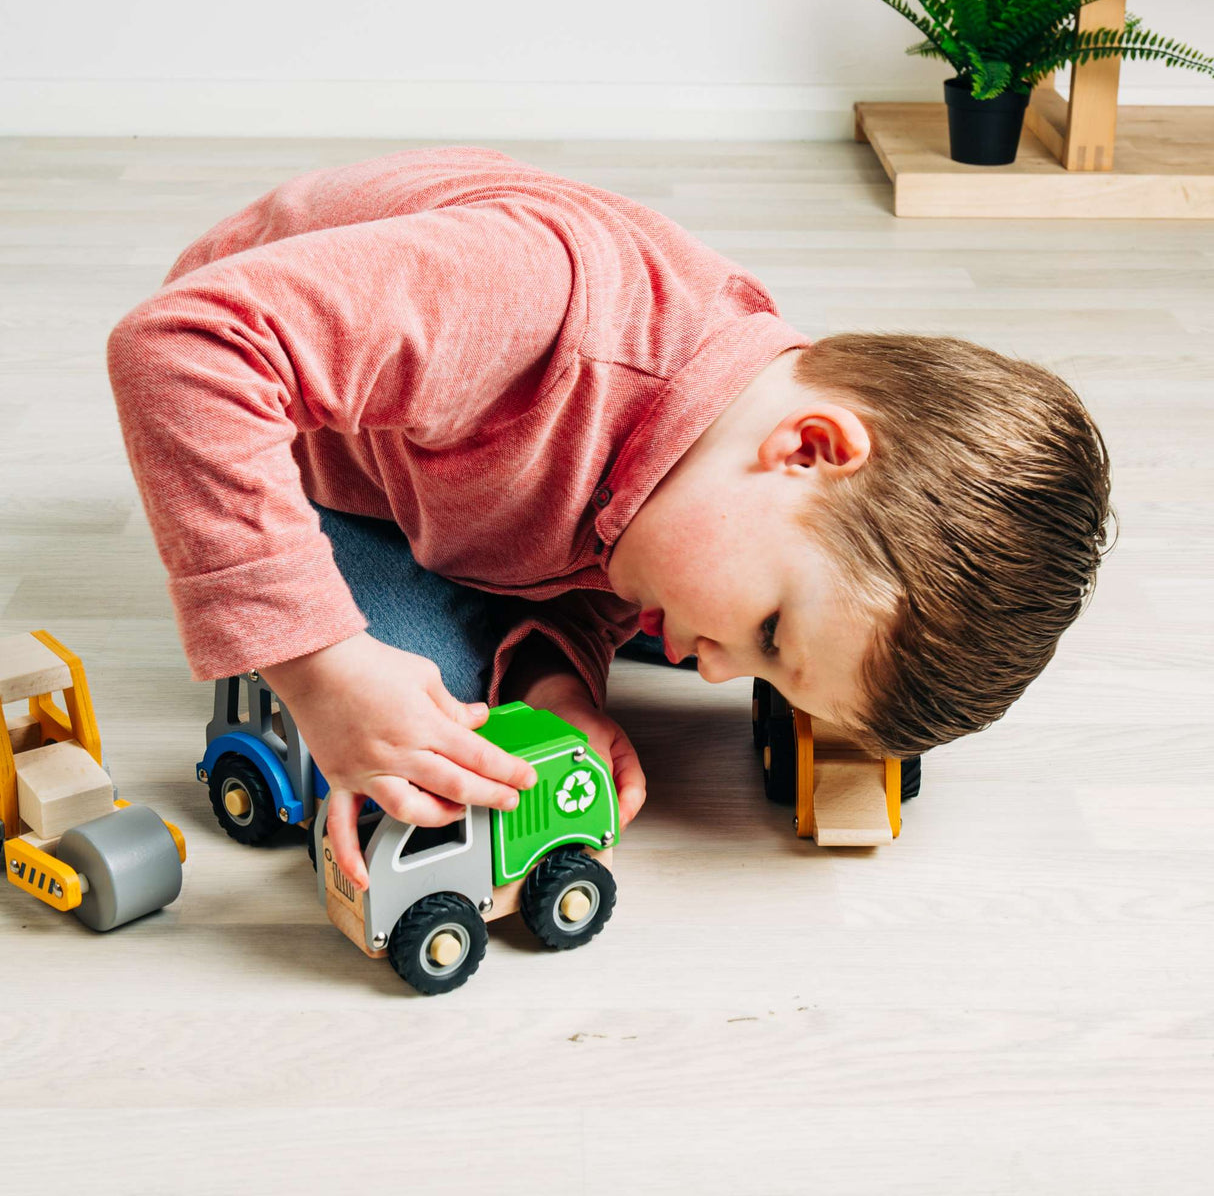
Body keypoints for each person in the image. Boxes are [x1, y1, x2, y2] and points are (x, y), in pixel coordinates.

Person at [105, 145, 1113, 891]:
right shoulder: (538, 300)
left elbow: (584, 559)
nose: (720, 674)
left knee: (571, 663)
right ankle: (275, 590)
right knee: (427, 716)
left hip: (471, 499)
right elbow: (181, 346)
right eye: (768, 635)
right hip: (294, 424)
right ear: (805, 449)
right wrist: (320, 665)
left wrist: (559, 678)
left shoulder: (698, 481)